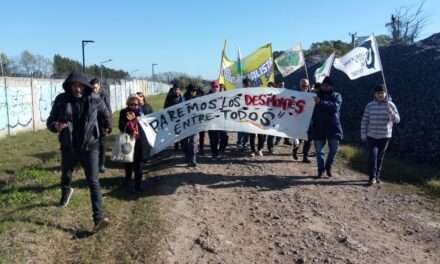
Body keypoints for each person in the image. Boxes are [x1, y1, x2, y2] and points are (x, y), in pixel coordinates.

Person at [46, 72, 111, 231]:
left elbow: (106, 114)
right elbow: (50, 120)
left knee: (93, 181)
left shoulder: (94, 98)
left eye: (80, 85)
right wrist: (55, 126)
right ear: (69, 86)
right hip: (69, 145)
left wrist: (106, 127)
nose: (77, 88)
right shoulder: (62, 99)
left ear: (85, 86)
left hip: (90, 145)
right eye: (74, 85)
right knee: (66, 174)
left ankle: (98, 218)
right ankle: (66, 193)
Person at [361, 84, 400, 185]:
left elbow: (397, 120)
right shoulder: (369, 105)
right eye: (378, 93)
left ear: (385, 93)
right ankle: (371, 177)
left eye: (382, 93)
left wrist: (390, 110)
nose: (380, 95)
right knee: (372, 156)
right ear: (375, 94)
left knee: (380, 157)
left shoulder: (391, 105)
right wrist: (363, 134)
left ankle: (377, 176)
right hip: (371, 135)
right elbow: (364, 120)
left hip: (385, 136)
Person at [309, 77, 343, 178]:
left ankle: (328, 166)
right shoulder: (315, 95)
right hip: (319, 127)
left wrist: (320, 103)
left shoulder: (337, 95)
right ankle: (321, 170)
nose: (325, 87)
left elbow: (335, 107)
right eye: (324, 85)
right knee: (319, 152)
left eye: (327, 85)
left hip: (333, 127)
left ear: (332, 86)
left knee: (333, 150)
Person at [119, 95, 145, 192]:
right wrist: (130, 129)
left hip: (139, 141)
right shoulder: (123, 112)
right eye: (131, 104)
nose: (134, 106)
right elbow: (121, 126)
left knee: (139, 163)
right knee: (128, 161)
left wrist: (139, 121)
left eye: (136, 104)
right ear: (128, 104)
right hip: (128, 140)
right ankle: (127, 180)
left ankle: (138, 184)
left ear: (139, 104)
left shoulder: (142, 113)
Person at [90, 78, 112, 173]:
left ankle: (101, 164)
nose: (94, 89)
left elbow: (108, 109)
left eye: (96, 87)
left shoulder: (103, 95)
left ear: (99, 86)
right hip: (91, 123)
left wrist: (109, 124)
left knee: (102, 144)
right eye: (93, 87)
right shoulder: (88, 95)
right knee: (93, 143)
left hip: (102, 123)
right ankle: (93, 162)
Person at [292, 78, 313, 163]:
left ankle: (305, 156)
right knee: (299, 139)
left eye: (306, 85)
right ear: (300, 86)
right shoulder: (295, 95)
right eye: (303, 85)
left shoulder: (312, 95)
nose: (305, 87)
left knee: (309, 139)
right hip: (298, 121)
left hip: (309, 121)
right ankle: (295, 150)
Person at [208, 80, 229, 158]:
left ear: (219, 87)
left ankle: (221, 151)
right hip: (211, 122)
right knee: (213, 139)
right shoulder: (206, 97)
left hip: (222, 121)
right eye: (213, 87)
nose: (215, 88)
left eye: (216, 86)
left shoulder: (224, 96)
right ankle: (214, 154)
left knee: (225, 137)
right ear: (211, 87)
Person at [164, 83, 184, 151]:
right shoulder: (170, 97)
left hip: (180, 116)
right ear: (174, 90)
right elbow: (166, 106)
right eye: (176, 90)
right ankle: (176, 144)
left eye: (178, 90)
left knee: (181, 130)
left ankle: (182, 144)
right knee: (174, 131)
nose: (177, 91)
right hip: (172, 117)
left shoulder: (181, 97)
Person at [236, 78, 251, 150]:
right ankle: (239, 143)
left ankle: (245, 144)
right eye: (246, 84)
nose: (248, 86)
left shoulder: (252, 93)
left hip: (249, 114)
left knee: (247, 130)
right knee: (241, 129)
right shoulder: (240, 92)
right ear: (244, 84)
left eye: (248, 84)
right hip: (241, 114)